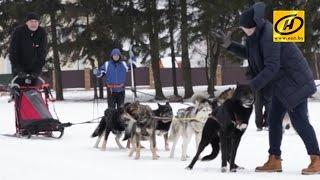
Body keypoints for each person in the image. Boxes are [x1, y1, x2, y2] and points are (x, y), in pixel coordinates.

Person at [215, 2, 320, 175]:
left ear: (253, 25)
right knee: (273, 119)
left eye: (245, 28)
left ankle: (317, 159)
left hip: (295, 82)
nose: (244, 31)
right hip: (281, 84)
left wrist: (251, 86)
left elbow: (272, 66)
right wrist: (229, 45)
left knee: (299, 120)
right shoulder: (255, 36)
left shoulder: (269, 34)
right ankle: (274, 159)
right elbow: (249, 53)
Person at [9, 12, 47, 85]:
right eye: (31, 21)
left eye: (36, 21)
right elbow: (13, 51)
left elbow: (42, 53)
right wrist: (18, 69)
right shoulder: (18, 32)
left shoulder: (42, 32)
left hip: (34, 69)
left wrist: (37, 71)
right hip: (20, 67)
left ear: (38, 23)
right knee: (19, 90)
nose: (34, 24)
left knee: (33, 91)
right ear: (27, 23)